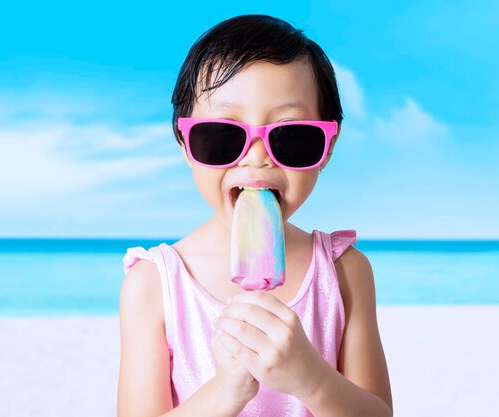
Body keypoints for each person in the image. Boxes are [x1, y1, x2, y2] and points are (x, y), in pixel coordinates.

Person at [117, 14, 392, 417]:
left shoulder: (346, 272)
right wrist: (225, 392)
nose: (257, 157)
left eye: (292, 137)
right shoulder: (153, 285)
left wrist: (310, 378)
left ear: (327, 149)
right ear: (184, 142)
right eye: (222, 136)